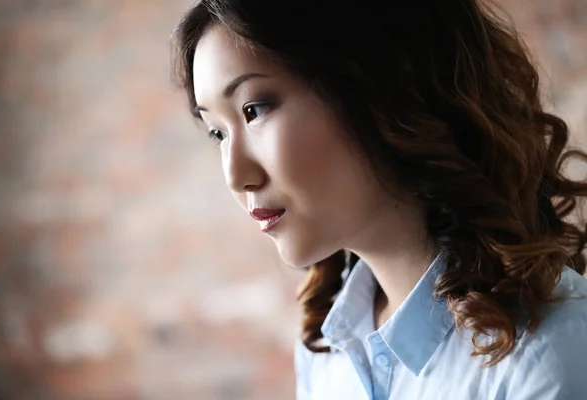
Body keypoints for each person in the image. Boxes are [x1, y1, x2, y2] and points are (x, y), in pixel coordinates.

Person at [171, 0, 587, 398]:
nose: (235, 176)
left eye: (254, 109)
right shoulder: (325, 349)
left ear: (384, 84)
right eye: (217, 132)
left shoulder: (549, 356)